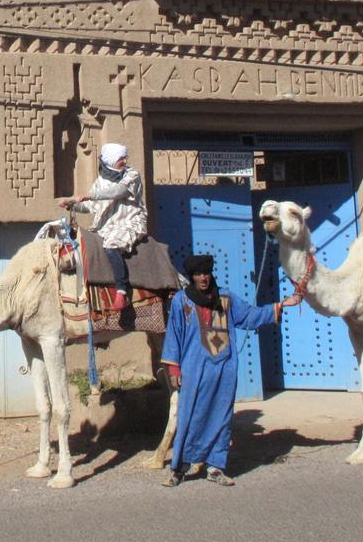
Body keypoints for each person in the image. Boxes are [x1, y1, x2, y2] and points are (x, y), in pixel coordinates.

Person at [159, 254, 300, 488]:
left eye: (206, 274)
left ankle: (215, 466)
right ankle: (180, 468)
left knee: (221, 416)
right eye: (198, 275)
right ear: (192, 277)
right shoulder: (181, 301)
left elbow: (250, 315)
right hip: (194, 369)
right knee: (189, 416)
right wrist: (174, 368)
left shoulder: (225, 298)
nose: (203, 279)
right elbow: (174, 335)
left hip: (224, 367)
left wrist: (281, 304)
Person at [55, 141, 147, 310]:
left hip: (128, 223)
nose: (124, 161)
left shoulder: (132, 175)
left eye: (124, 158)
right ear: (111, 160)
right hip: (104, 226)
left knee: (111, 244)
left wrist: (89, 195)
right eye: (121, 158)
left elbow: (119, 191)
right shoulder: (100, 181)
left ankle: (121, 290)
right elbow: (90, 207)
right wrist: (71, 204)